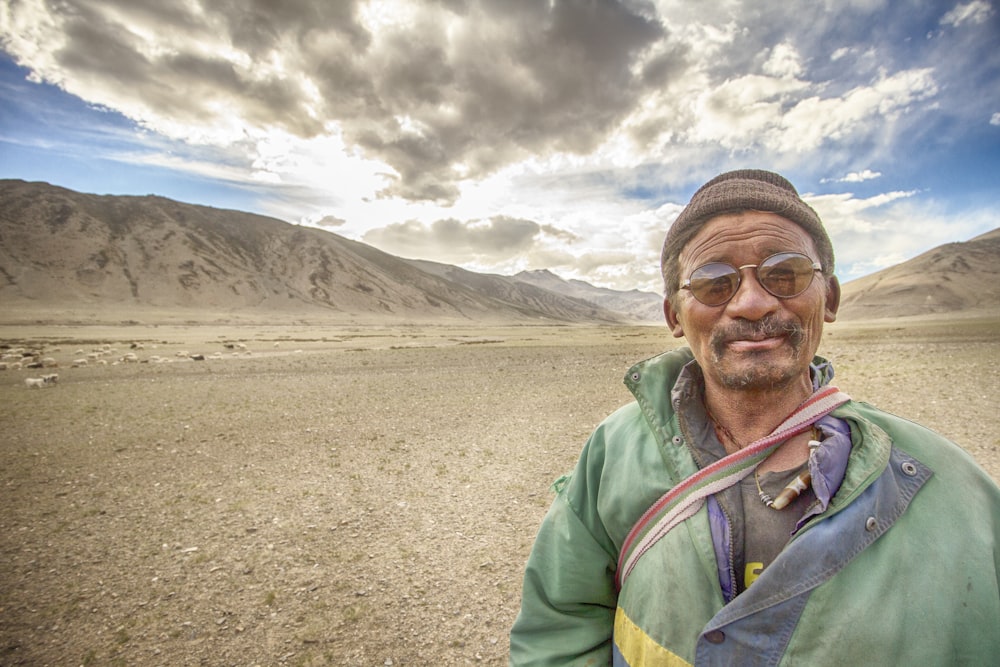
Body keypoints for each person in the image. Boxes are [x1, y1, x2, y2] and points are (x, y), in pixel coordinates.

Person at [509, 169, 1000, 666]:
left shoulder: (953, 489)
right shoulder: (612, 452)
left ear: (828, 298)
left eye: (784, 273)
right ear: (674, 316)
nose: (751, 302)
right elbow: (560, 624)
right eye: (713, 283)